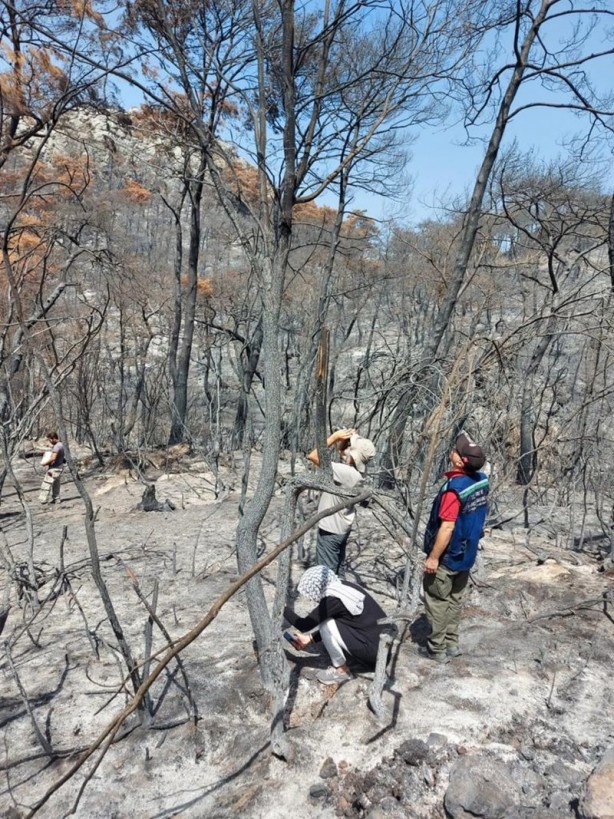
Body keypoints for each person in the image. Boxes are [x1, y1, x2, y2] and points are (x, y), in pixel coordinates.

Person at [420, 431, 489, 663]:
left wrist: (433, 557)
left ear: (460, 460)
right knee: (455, 599)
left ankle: (436, 649)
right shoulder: (481, 480)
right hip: (467, 555)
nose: (452, 450)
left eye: (455, 449)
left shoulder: (454, 490)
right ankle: (452, 643)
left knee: (438, 600)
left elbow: (447, 528)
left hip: (448, 555)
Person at [284, 565, 387, 685]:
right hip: (383, 645)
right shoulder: (344, 586)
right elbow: (341, 621)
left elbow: (303, 625)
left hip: (374, 654)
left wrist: (283, 608)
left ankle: (342, 671)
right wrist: (310, 639)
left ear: (316, 587)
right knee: (329, 620)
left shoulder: (332, 600)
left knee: (326, 623)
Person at [307, 427, 375, 574]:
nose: (347, 447)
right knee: (337, 570)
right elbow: (341, 452)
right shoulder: (358, 473)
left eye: (350, 447)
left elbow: (313, 456)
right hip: (341, 528)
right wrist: (345, 441)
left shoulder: (345, 473)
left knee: (326, 574)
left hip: (330, 530)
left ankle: (329, 597)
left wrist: (334, 437)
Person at [39, 432, 66, 505]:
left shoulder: (57, 447)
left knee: (46, 483)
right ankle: (56, 499)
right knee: (56, 484)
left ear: (53, 438)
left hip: (54, 468)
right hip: (60, 467)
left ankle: (43, 500)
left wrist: (45, 463)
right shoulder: (61, 445)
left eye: (50, 440)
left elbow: (53, 458)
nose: (49, 441)